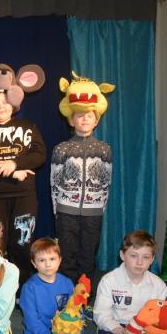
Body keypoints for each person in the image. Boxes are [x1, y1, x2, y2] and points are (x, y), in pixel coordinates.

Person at [0, 89, 45, 286]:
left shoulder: (28, 127)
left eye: (5, 102)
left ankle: (21, 290)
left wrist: (15, 164)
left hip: (24, 195)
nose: (1, 106)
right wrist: (12, 171)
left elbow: (39, 155)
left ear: (13, 104)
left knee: (22, 243)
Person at [51, 74, 114, 285]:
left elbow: (106, 183)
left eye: (89, 116)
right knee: (67, 255)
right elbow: (54, 183)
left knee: (88, 255)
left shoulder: (104, 149)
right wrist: (58, 211)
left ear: (96, 120)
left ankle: (84, 296)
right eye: (79, 116)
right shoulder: (61, 149)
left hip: (93, 212)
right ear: (71, 120)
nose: (84, 119)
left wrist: (99, 208)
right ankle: (67, 294)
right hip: (66, 211)